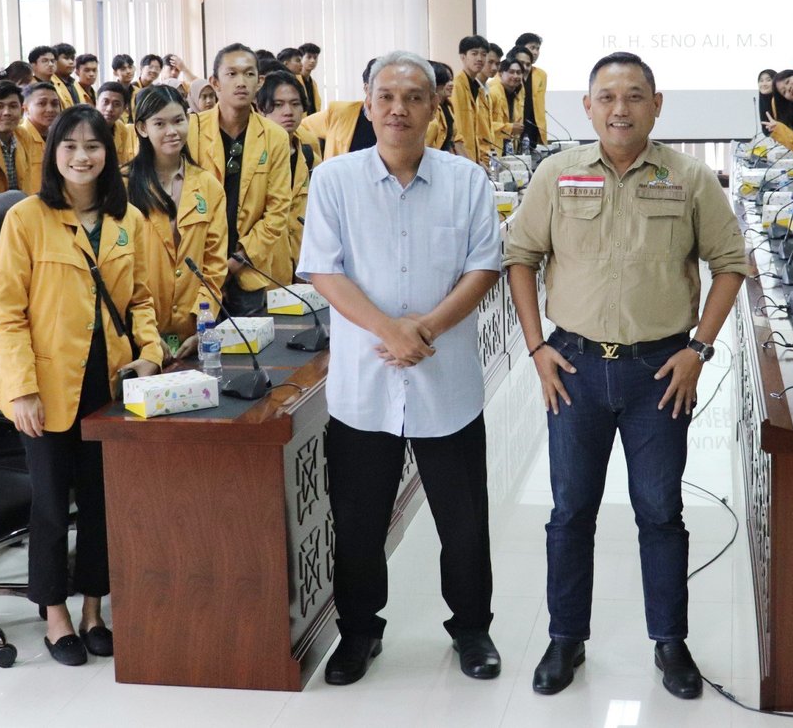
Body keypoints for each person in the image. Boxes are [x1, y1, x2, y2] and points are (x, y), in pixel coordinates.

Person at [504, 51, 748, 701]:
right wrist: (536, 347)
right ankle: (565, 637)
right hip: (574, 367)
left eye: (635, 96)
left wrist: (699, 348)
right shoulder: (557, 174)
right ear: (587, 107)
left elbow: (730, 262)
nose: (620, 108)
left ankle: (670, 641)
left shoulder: (689, 176)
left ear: (656, 105)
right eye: (607, 97)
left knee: (660, 511)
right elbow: (521, 256)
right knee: (570, 510)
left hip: (659, 372)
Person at [298, 50, 504, 686]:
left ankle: (471, 629)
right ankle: (360, 632)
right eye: (386, 96)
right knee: (358, 523)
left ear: (435, 106)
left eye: (414, 97)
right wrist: (390, 330)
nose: (398, 109)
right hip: (365, 386)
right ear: (367, 105)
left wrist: (427, 329)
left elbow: (484, 267)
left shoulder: (467, 180)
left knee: (463, 523)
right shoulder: (334, 180)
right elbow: (324, 268)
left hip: (447, 383)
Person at [0, 105, 163, 667]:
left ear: (110, 154)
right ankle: (54, 615)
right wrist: (21, 388)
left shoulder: (127, 219)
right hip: (44, 385)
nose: (82, 156)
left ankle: (93, 609)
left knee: (100, 500)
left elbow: (140, 300)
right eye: (70, 146)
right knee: (49, 501)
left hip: (109, 382)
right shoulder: (26, 218)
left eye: (94, 146)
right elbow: (7, 314)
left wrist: (151, 353)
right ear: (53, 153)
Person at [186, 44, 292, 317]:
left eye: (248, 74)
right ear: (215, 83)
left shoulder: (275, 137)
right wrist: (212, 265)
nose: (241, 82)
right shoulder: (192, 130)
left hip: (247, 268)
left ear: (260, 81)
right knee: (197, 340)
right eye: (231, 74)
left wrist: (236, 260)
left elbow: (278, 210)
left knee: (249, 340)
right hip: (197, 266)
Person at [124, 84, 228, 361]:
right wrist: (147, 335)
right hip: (137, 335)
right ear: (142, 128)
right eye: (160, 123)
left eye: (178, 120)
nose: (172, 131)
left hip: (192, 333)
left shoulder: (208, 185)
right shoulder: (123, 185)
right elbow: (120, 270)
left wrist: (203, 326)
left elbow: (214, 265)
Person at [257, 70, 319, 268]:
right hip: (263, 267)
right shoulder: (253, 158)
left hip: (303, 265)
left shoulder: (309, 157)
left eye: (295, 104)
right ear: (261, 109)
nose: (288, 112)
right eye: (278, 105)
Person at [450, 35, 491, 165]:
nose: (479, 58)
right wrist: (468, 162)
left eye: (484, 54)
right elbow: (457, 131)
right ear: (463, 57)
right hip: (461, 159)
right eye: (474, 53)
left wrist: (478, 160)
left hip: (473, 158)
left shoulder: (477, 87)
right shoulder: (457, 85)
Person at [486, 57, 535, 151]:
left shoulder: (517, 95)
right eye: (511, 72)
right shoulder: (492, 93)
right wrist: (510, 128)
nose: (515, 76)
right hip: (492, 149)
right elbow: (484, 125)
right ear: (501, 73)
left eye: (519, 72)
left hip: (510, 150)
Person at [513, 32, 547, 143]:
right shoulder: (509, 73)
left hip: (534, 128)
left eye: (538, 49)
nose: (535, 52)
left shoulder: (541, 75)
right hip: (514, 127)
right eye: (532, 48)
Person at [94, 82, 138, 165]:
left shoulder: (122, 129)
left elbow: (121, 162)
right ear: (96, 103)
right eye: (105, 102)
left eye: (116, 104)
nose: (109, 109)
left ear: (124, 108)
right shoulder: (85, 127)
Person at [52, 43, 81, 108]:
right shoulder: (50, 83)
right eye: (66, 58)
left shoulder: (75, 84)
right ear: (55, 61)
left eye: (72, 58)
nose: (71, 62)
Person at [298, 42, 324, 115]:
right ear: (300, 59)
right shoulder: (294, 80)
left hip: (312, 120)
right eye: (309, 57)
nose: (313, 61)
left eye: (315, 58)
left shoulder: (313, 83)